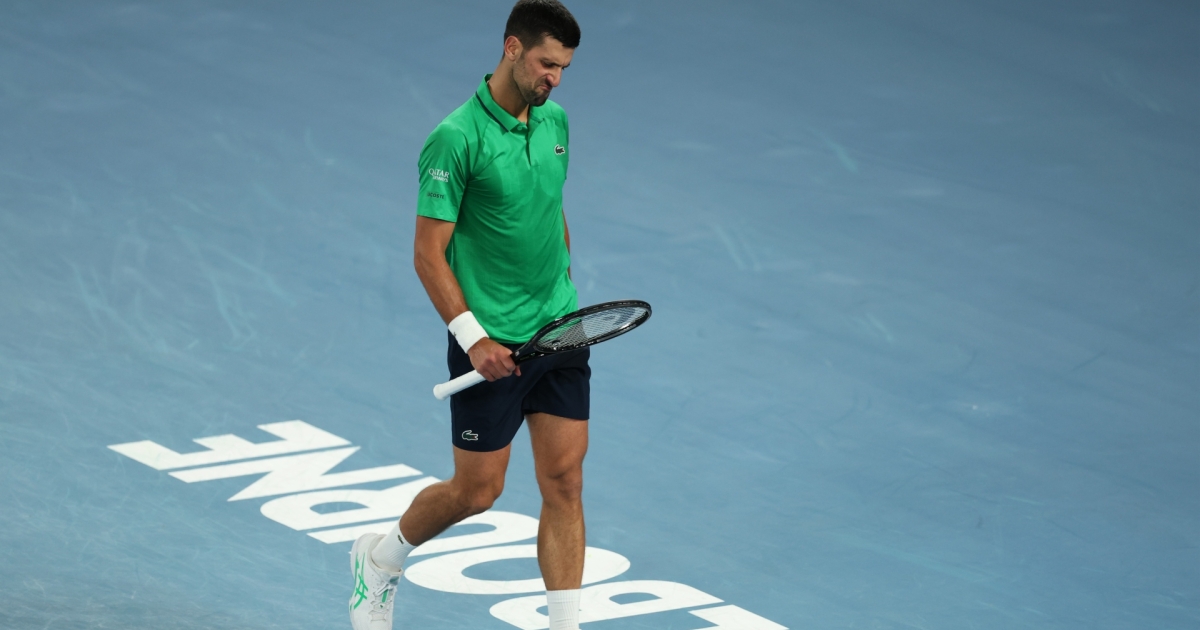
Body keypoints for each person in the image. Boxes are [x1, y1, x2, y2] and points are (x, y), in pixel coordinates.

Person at [349, 2, 586, 629]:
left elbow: (550, 206)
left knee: (564, 481)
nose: (554, 78)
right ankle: (380, 558)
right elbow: (428, 254)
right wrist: (473, 337)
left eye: (563, 68)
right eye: (546, 63)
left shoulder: (556, 121)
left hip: (558, 329)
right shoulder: (455, 138)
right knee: (478, 492)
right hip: (491, 339)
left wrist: (561, 283)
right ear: (512, 48)